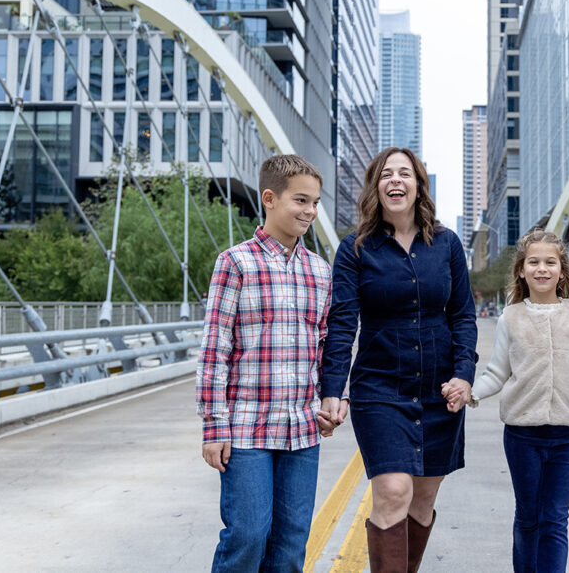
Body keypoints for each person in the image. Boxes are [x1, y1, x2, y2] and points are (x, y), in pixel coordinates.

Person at [321, 147, 478, 572]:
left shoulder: (446, 244)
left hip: (439, 390)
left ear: (418, 186)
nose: (395, 180)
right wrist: (332, 389)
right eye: (385, 174)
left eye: (404, 174)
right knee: (392, 491)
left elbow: (463, 315)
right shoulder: (355, 250)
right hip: (380, 388)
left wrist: (464, 375)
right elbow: (341, 323)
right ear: (376, 187)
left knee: (423, 500)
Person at [196, 154, 336, 572]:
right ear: (270, 199)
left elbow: (326, 345)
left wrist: (332, 397)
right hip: (245, 429)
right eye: (301, 201)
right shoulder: (235, 263)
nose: (310, 211)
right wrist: (213, 427)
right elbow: (214, 351)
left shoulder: (320, 271)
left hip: (301, 429)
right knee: (247, 537)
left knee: (292, 544)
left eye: (315, 202)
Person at [466, 229, 569, 573]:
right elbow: (496, 373)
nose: (542, 269)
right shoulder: (510, 318)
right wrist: (470, 393)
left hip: (566, 438)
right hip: (522, 437)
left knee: (555, 519)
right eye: (533, 262)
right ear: (521, 270)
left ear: (562, 271)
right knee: (529, 516)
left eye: (550, 262)